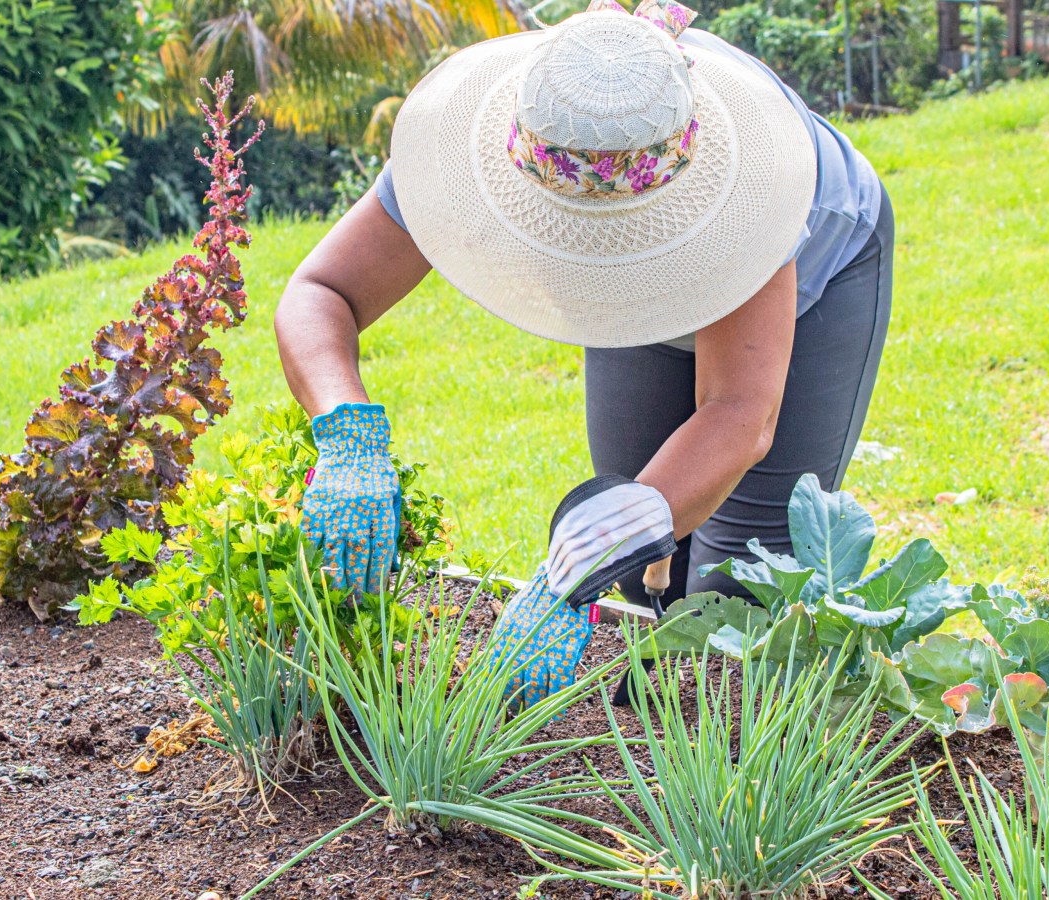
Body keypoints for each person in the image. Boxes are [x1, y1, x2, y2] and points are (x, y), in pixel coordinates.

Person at [274, 0, 893, 710]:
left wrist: (577, 565)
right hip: (635, 298)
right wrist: (347, 434)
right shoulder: (496, 132)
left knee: (734, 602)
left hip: (815, 286)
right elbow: (320, 292)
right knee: (637, 562)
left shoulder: (758, 188)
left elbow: (739, 413)